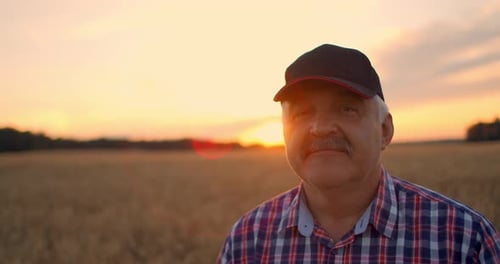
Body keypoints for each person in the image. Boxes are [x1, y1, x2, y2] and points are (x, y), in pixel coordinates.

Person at [217, 44, 500, 263]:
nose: (320, 128)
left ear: (385, 130)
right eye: (302, 113)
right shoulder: (247, 241)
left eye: (347, 109)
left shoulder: (463, 240)